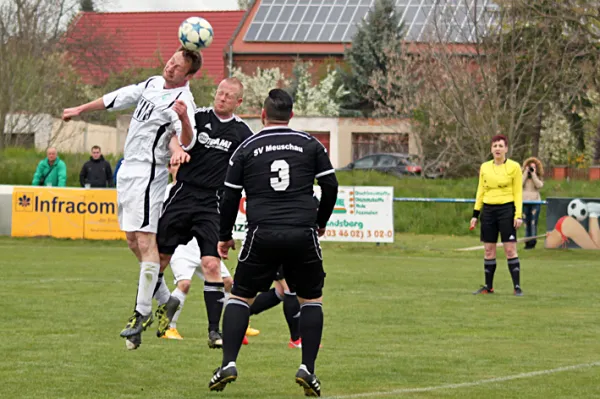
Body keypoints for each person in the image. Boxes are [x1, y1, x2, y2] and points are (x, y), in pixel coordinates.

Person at [61, 47, 201, 350]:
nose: (171, 67)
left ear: (189, 76)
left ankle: (142, 314)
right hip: (128, 169)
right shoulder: (152, 83)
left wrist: (183, 127)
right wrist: (80, 110)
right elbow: (117, 97)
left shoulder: (184, 101)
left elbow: (189, 140)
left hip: (150, 173)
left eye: (178, 67)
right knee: (132, 241)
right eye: (171, 61)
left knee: (147, 243)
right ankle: (166, 301)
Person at [209, 89, 338, 397]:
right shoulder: (309, 144)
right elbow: (330, 185)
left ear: (262, 115)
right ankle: (307, 368)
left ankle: (228, 363)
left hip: (261, 232)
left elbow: (229, 196)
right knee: (311, 299)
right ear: (291, 116)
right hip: (302, 232)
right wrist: (321, 221)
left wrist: (224, 235)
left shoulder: (246, 146)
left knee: (240, 297)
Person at [154, 77, 254, 349]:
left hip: (212, 203)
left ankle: (214, 331)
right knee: (158, 260)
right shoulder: (196, 117)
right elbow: (173, 137)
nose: (222, 98)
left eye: (228, 95)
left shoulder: (243, 133)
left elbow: (251, 168)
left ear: (238, 102)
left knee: (213, 266)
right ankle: (147, 312)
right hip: (183, 194)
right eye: (220, 92)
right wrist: (176, 151)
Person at [158, 162, 250, 345]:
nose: (178, 168)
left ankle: (236, 325)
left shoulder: (204, 189)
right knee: (184, 284)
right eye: (175, 165)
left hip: (204, 246)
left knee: (228, 282)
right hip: (182, 248)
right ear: (170, 169)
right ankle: (168, 326)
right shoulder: (169, 191)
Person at [469, 134, 524, 296]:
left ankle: (517, 287)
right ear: (491, 149)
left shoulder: (514, 167)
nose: (498, 149)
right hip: (488, 211)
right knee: (488, 250)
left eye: (501, 146)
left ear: (506, 149)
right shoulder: (485, 167)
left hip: (507, 211)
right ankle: (488, 286)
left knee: (510, 249)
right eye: (495, 146)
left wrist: (518, 215)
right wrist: (475, 214)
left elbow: (518, 192)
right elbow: (480, 190)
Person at [521, 157, 544, 249]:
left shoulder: (538, 176)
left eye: (533, 167)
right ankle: (527, 241)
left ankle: (533, 242)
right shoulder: (523, 175)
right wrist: (526, 173)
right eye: (530, 167)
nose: (531, 169)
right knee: (526, 223)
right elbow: (519, 184)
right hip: (524, 202)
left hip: (535, 202)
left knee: (533, 223)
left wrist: (533, 174)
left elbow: (539, 185)